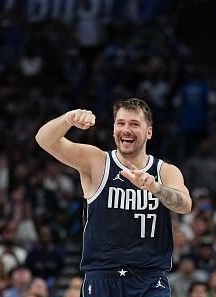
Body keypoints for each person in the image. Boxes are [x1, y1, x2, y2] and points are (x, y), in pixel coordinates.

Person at [35, 98, 192, 297]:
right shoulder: (97, 161)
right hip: (102, 277)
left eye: (134, 124)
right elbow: (44, 139)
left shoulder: (165, 171)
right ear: (113, 129)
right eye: (121, 123)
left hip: (150, 279)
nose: (126, 129)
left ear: (149, 132)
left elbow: (185, 205)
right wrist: (68, 119)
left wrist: (155, 187)